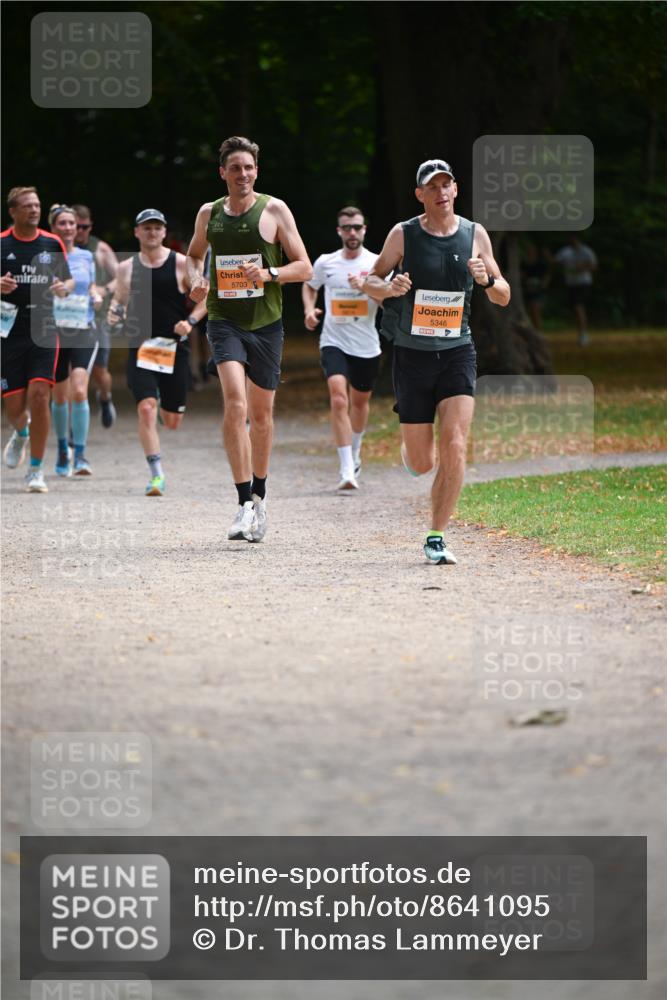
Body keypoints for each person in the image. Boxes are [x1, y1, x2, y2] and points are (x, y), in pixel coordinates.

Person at [363, 159, 510, 565]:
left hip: (458, 352)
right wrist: (390, 287)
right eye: (433, 186)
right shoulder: (403, 234)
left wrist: (487, 281)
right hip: (412, 357)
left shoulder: (474, 234)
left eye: (447, 184)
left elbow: (504, 295)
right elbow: (369, 281)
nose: (441, 192)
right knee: (423, 461)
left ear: (456, 190)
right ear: (420, 195)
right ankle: (411, 453)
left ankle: (436, 536)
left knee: (456, 444)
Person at [186, 135, 312, 542]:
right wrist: (196, 278)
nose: (243, 174)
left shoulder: (274, 209)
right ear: (222, 173)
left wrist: (271, 274)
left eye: (249, 167)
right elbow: (193, 255)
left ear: (257, 171)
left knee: (261, 417)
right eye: (235, 168)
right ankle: (242, 503)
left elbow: (305, 267)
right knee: (234, 403)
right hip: (224, 321)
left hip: (266, 324)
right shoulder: (209, 214)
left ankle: (259, 495)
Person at [107, 208, 206, 495]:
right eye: (146, 228)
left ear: (164, 232)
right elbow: (118, 302)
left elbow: (206, 299)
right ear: (137, 232)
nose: (152, 232)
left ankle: (166, 405)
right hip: (142, 349)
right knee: (146, 409)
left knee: (172, 421)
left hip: (174, 348)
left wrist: (189, 322)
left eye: (157, 228)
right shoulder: (126, 268)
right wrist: (113, 315)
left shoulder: (181, 263)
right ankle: (156, 475)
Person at [303, 206, 381, 490]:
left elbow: (390, 301)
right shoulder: (326, 262)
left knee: (359, 403)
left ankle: (356, 450)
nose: (352, 232)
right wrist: (309, 310)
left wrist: (366, 287)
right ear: (339, 231)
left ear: (364, 230)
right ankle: (346, 468)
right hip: (333, 340)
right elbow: (310, 285)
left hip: (367, 344)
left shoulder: (377, 263)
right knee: (338, 399)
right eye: (347, 228)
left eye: (357, 227)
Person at [1, 186, 73, 492]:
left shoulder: (51, 242)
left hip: (44, 324)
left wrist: (64, 289)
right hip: (8, 329)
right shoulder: (2, 243)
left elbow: (68, 280)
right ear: (13, 212)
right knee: (14, 405)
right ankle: (21, 432)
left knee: (41, 395)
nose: (34, 210)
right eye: (27, 206)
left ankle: (35, 469)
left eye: (37, 205)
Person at [48, 204, 103, 476]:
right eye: (63, 223)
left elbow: (90, 285)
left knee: (79, 390)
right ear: (53, 228)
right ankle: (61, 449)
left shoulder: (86, 256)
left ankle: (80, 455)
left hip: (83, 327)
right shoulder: (44, 257)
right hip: (54, 332)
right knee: (59, 396)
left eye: (73, 224)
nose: (70, 228)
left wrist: (96, 295)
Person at [73, 204, 119, 425]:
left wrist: (105, 290)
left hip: (96, 319)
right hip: (68, 318)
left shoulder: (100, 249)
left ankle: (105, 397)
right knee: (70, 371)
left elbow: (122, 277)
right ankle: (74, 421)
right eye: (77, 226)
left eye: (85, 226)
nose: (80, 231)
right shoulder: (59, 248)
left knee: (100, 371)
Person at [554, 234, 598, 347]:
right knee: (576, 309)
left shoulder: (586, 251)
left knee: (579, 307)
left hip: (583, 283)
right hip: (571, 284)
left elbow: (594, 266)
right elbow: (555, 262)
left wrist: (583, 267)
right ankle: (581, 332)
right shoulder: (566, 252)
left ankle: (583, 334)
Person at [520, 242, 550, 332]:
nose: (530, 253)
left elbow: (547, 276)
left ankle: (538, 331)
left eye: (531, 251)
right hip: (526, 290)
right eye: (528, 251)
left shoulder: (540, 264)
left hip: (538, 291)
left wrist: (542, 285)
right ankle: (533, 330)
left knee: (535, 310)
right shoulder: (524, 264)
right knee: (528, 312)